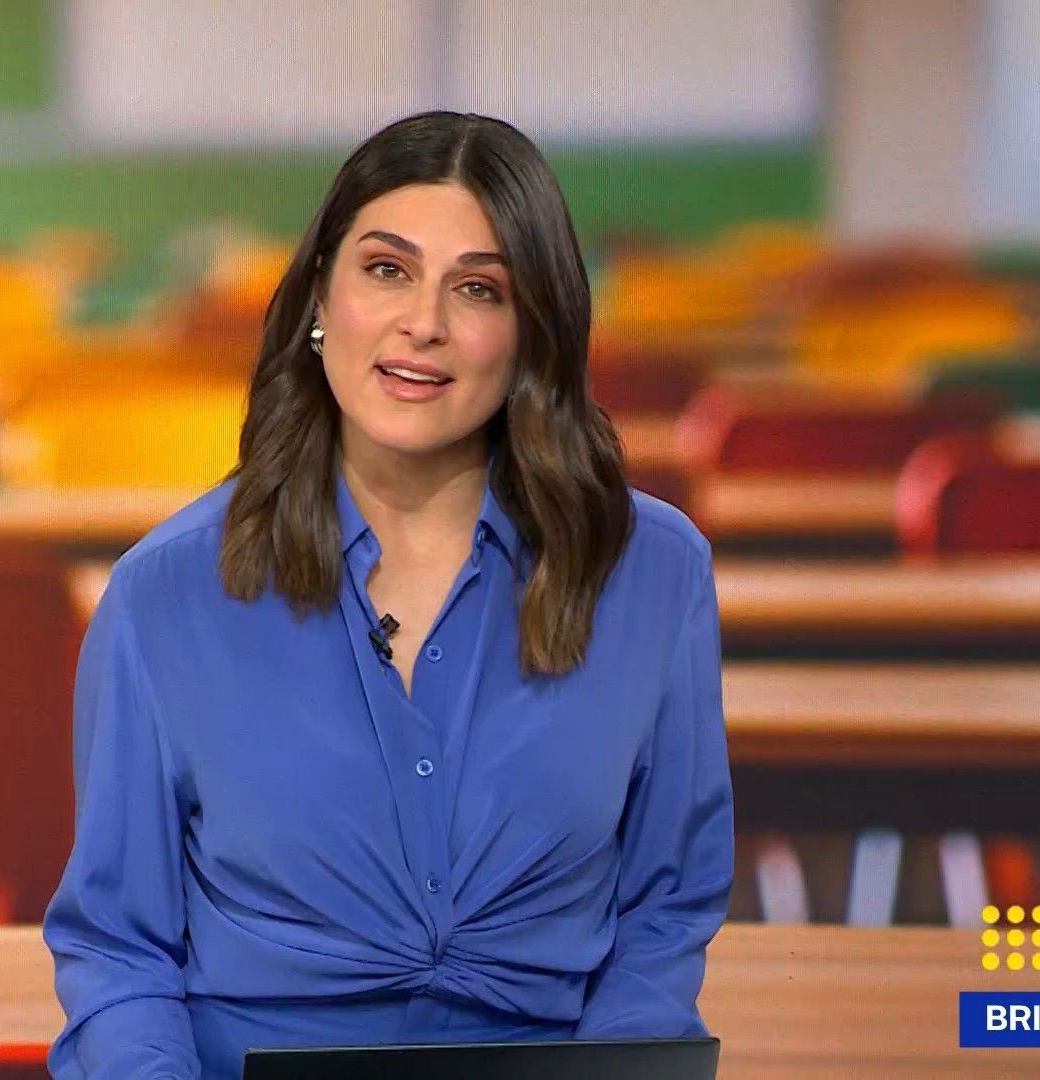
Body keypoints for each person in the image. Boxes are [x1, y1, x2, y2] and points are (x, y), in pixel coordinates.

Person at [43, 110, 733, 1080]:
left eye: (479, 288)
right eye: (386, 270)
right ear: (320, 297)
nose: (424, 322)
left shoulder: (653, 571)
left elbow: (663, 917)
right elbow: (121, 955)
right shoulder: (165, 594)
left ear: (531, 334)